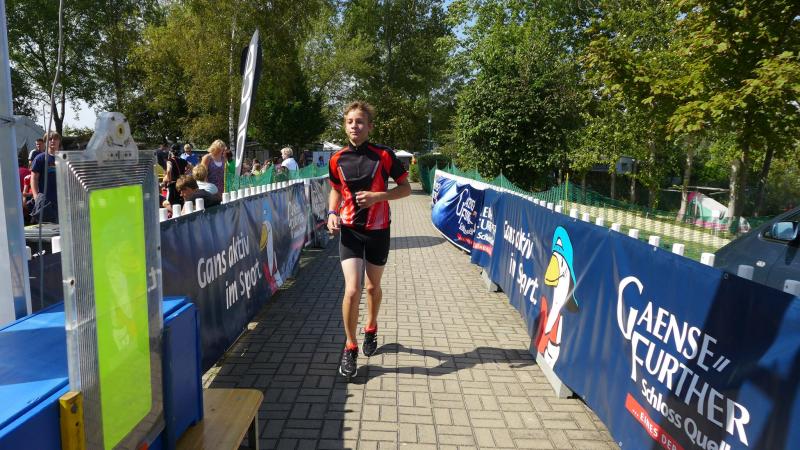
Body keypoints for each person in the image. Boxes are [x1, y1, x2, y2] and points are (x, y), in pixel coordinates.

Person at [327, 101, 411, 378]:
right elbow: (335, 190)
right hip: (350, 230)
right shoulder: (337, 159)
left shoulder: (384, 155)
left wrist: (379, 196)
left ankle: (371, 327)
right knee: (353, 290)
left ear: (370, 126)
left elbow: (406, 189)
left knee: (372, 287)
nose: (355, 126)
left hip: (378, 230)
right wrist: (331, 213)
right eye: (350, 121)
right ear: (345, 126)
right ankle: (350, 347)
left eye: (360, 121)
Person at [30, 131, 61, 223]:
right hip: (46, 202)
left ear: (59, 141)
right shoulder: (40, 158)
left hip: (62, 201)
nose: (53, 141)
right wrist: (36, 197)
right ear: (45, 142)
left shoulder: (64, 158)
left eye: (55, 139)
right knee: (48, 228)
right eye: (50, 139)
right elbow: (34, 178)